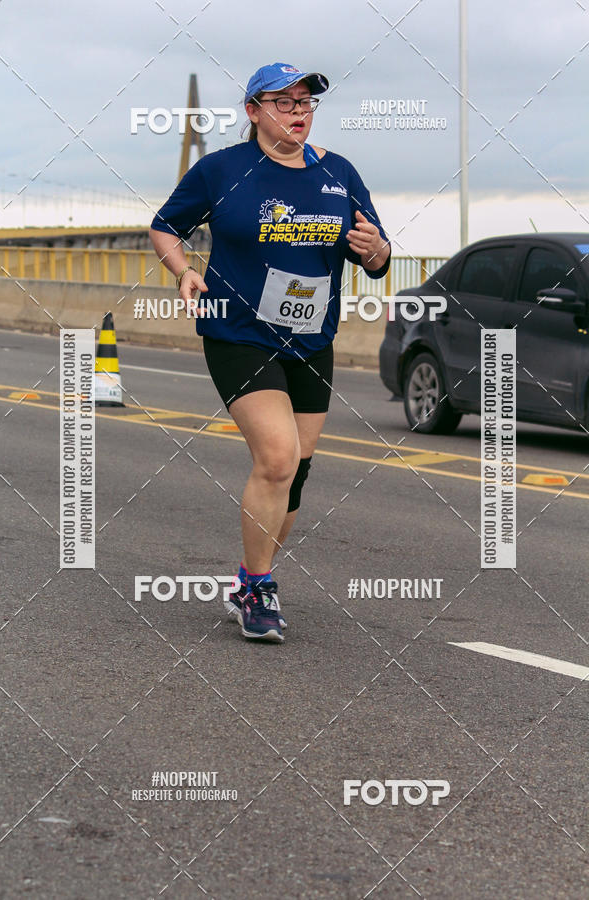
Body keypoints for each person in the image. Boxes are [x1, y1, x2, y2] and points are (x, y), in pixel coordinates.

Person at [149, 62, 391, 643]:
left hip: (311, 338)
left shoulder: (339, 173)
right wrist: (184, 271)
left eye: (306, 102)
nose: (299, 112)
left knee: (297, 474)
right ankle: (259, 588)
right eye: (284, 102)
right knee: (278, 458)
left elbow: (377, 258)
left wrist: (378, 248)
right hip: (238, 331)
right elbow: (164, 226)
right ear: (253, 111)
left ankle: (248, 577)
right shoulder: (221, 170)